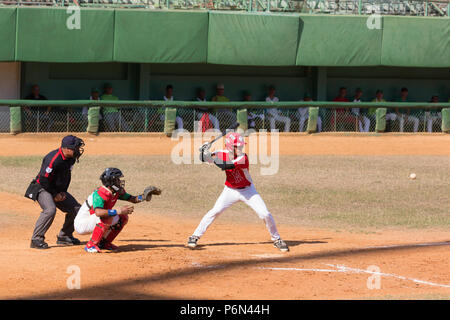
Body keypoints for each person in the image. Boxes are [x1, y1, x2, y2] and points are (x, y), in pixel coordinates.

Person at [188, 132, 289, 252]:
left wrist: (209, 155)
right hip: (230, 190)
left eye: (241, 146)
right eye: (237, 146)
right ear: (230, 146)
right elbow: (203, 159)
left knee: (265, 214)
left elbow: (225, 166)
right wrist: (203, 151)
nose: (240, 148)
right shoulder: (222, 153)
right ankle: (195, 236)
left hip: (248, 191)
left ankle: (277, 239)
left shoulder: (243, 158)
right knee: (215, 211)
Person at [75, 168, 160, 253]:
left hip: (93, 220)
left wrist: (144, 197)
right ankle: (91, 245)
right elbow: (98, 212)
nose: (119, 182)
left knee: (123, 217)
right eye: (117, 179)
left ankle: (104, 243)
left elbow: (132, 199)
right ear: (111, 182)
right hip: (82, 224)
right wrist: (118, 211)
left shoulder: (115, 192)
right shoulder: (100, 193)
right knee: (108, 217)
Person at [27, 135, 85, 249]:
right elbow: (44, 180)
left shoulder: (71, 158)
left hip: (56, 189)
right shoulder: (53, 159)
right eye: (75, 148)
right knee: (50, 209)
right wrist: (54, 195)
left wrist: (63, 192)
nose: (78, 150)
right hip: (42, 187)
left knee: (77, 209)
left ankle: (64, 236)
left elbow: (66, 176)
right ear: (66, 148)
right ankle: (36, 239)